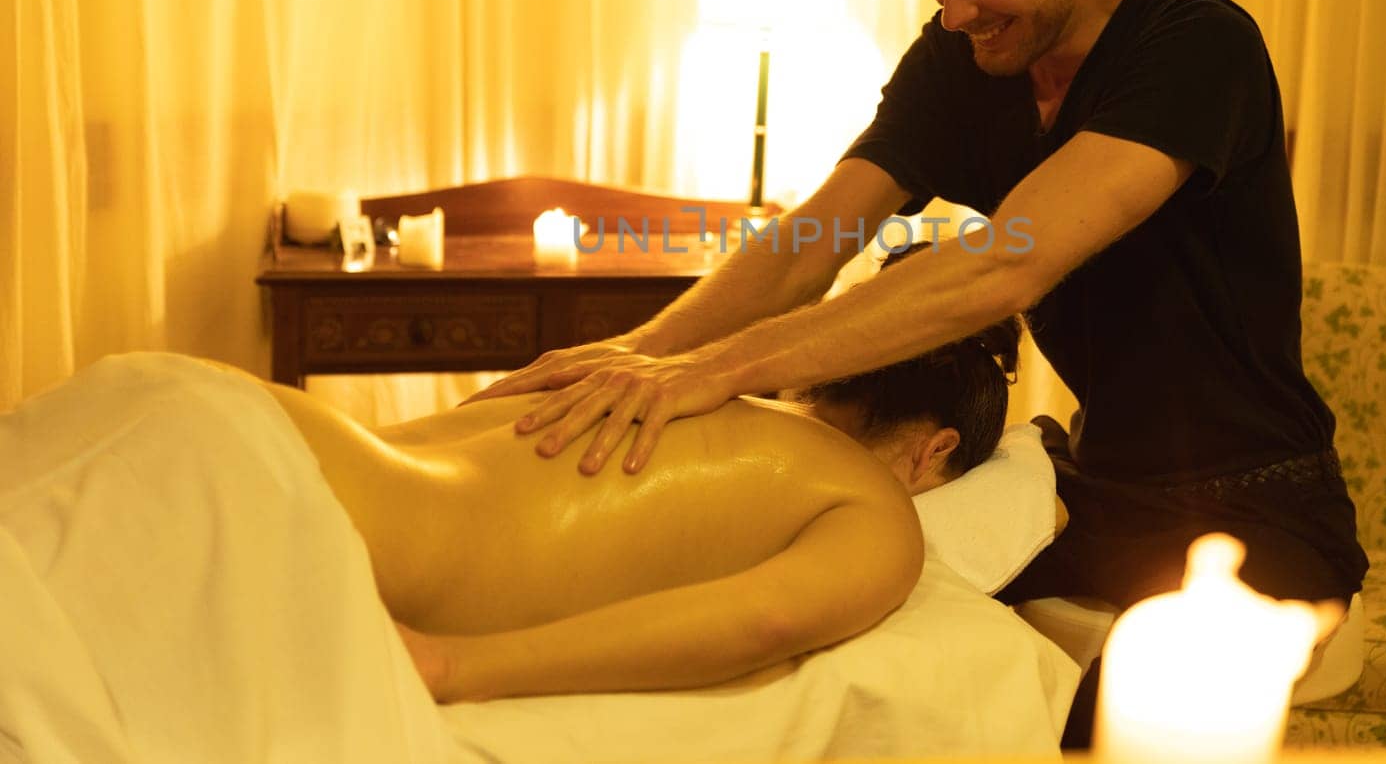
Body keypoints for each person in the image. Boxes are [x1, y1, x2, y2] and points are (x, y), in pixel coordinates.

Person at [468, 0, 1367, 740]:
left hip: (1258, 514)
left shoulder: (1196, 48)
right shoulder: (962, 64)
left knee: (1070, 720)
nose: (953, 10)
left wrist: (712, 369)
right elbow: (810, 241)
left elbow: (1004, 261)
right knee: (862, 644)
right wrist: (633, 357)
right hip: (1104, 500)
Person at [223, 279, 1019, 704]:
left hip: (256, 422)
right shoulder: (874, 513)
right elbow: (758, 620)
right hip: (324, 523)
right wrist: (453, 667)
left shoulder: (660, 385)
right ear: (935, 451)